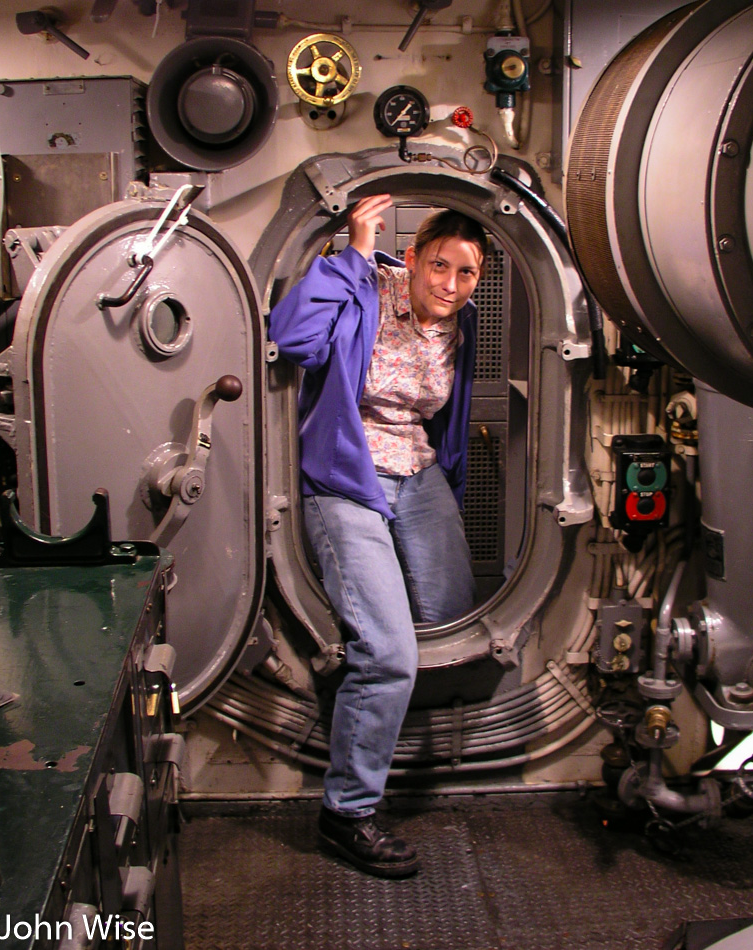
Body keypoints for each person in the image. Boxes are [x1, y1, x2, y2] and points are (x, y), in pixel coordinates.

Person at [269, 193, 487, 877]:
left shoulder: (464, 322)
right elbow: (292, 336)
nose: (449, 287)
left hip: (418, 476)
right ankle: (347, 813)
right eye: (439, 267)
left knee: (455, 626)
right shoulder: (365, 286)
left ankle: (371, 720)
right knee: (389, 651)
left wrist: (444, 487)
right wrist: (355, 253)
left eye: (467, 273)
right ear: (414, 259)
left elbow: (442, 417)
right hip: (348, 476)